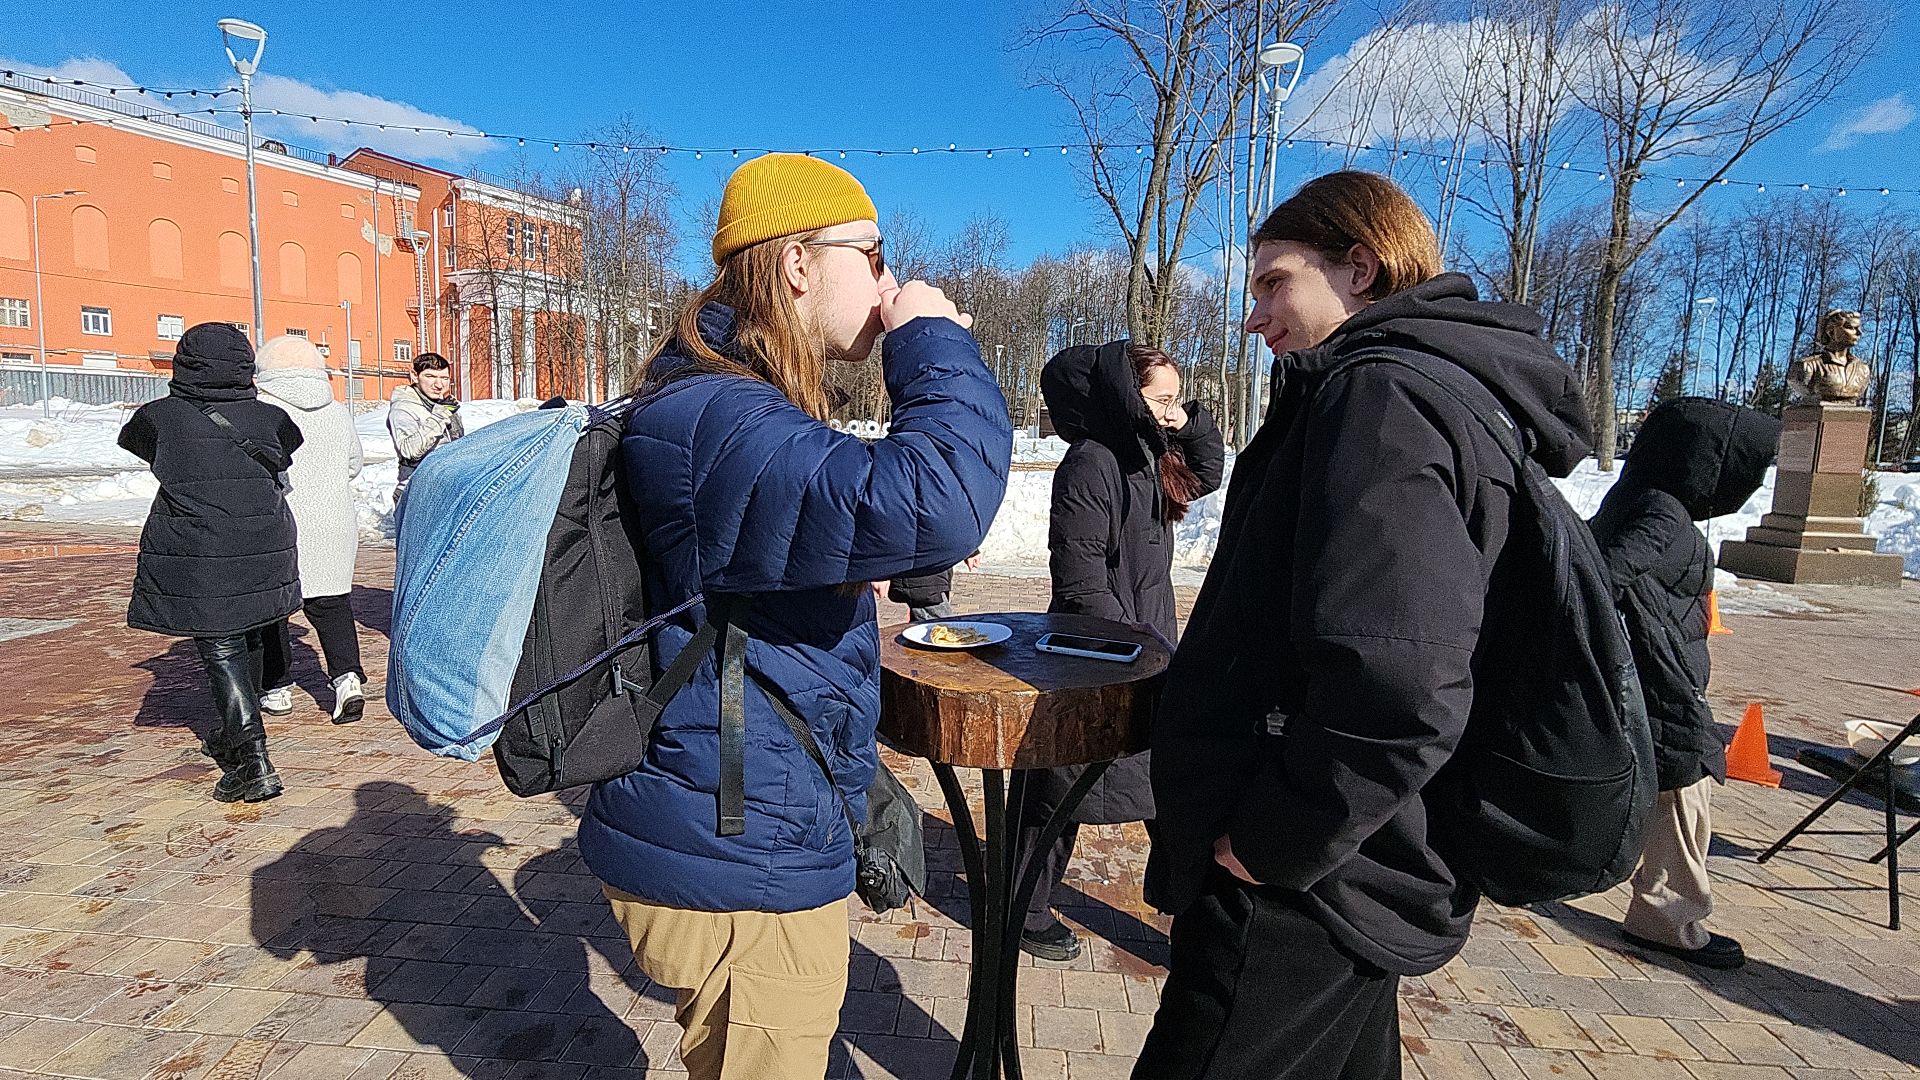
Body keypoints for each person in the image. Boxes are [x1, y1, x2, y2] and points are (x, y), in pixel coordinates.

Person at [1135, 171, 1595, 1080]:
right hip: (1357, 857)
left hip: (1304, 881)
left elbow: (1399, 680)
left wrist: (1272, 841)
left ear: (1360, 265)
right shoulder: (1416, 387)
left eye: (1275, 282)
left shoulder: (1381, 398)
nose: (1255, 315)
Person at [577, 153, 1012, 1080]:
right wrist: (931, 343)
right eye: (875, 252)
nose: (891, 280)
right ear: (798, 265)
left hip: (746, 815)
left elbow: (778, 542)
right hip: (744, 850)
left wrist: (870, 558)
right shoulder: (720, 414)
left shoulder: (726, 401)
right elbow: (936, 495)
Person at [1019, 340, 1223, 961]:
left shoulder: (1149, 454)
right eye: (1159, 399)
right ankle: (1023, 911)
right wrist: (1137, 654)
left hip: (1149, 647)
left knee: (1168, 786)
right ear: (1123, 396)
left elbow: (1207, 471)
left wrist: (1184, 419)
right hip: (1099, 660)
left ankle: (1194, 914)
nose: (1169, 412)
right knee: (1061, 793)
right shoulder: (1090, 465)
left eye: (1173, 400)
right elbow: (1082, 583)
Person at [1589, 396, 1779, 971]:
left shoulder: (1643, 498)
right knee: (1682, 804)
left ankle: (1667, 913)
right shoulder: (1663, 514)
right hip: (1660, 687)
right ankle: (1669, 924)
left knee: (1676, 799)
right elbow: (1603, 574)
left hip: (1658, 681)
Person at [119, 323, 304, 804]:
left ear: (183, 360)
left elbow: (148, 450)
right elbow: (284, 454)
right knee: (253, 628)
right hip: (264, 540)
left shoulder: (158, 417)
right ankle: (234, 733)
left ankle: (253, 759)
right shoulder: (271, 419)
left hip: (201, 544)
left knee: (221, 644)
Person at [254, 335, 370, 724]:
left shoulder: (262, 408)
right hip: (335, 521)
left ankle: (277, 688)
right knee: (333, 605)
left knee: (275, 608)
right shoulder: (336, 411)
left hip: (282, 520)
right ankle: (347, 680)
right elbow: (354, 464)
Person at [388, 352, 462, 504]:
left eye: (444, 378)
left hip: (444, 487)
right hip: (415, 492)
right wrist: (440, 416)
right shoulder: (403, 408)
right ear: (415, 376)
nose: (439, 385)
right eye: (430, 376)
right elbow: (409, 450)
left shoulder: (442, 405)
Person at [881, 553, 978, 621]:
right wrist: (880, 570)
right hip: (921, 575)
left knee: (930, 629)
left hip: (936, 568)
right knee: (941, 632)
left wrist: (970, 549)